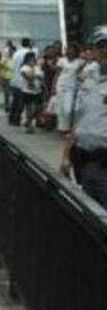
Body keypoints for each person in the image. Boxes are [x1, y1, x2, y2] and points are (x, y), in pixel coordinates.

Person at [61, 29, 107, 208]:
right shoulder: (88, 79)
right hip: (85, 163)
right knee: (91, 216)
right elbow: (78, 121)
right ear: (93, 51)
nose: (104, 51)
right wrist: (65, 156)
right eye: (100, 46)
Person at [55, 44, 84, 135]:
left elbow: (82, 74)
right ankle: (62, 129)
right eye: (69, 50)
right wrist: (53, 86)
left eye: (73, 51)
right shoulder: (61, 60)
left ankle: (67, 128)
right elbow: (57, 74)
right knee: (60, 108)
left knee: (68, 109)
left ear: (76, 52)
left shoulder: (80, 62)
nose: (70, 52)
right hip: (60, 86)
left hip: (71, 87)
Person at [7, 38, 34, 126]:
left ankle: (11, 118)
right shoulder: (30, 53)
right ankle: (16, 119)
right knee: (20, 102)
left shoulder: (16, 53)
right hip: (23, 80)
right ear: (29, 43)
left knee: (15, 100)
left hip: (14, 79)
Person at [19, 52, 44, 134]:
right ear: (27, 59)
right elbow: (28, 77)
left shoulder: (38, 67)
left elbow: (41, 77)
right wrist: (34, 70)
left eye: (33, 57)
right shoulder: (24, 67)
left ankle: (29, 121)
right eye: (30, 58)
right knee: (30, 109)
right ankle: (29, 125)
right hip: (27, 91)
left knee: (37, 108)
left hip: (38, 91)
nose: (33, 59)